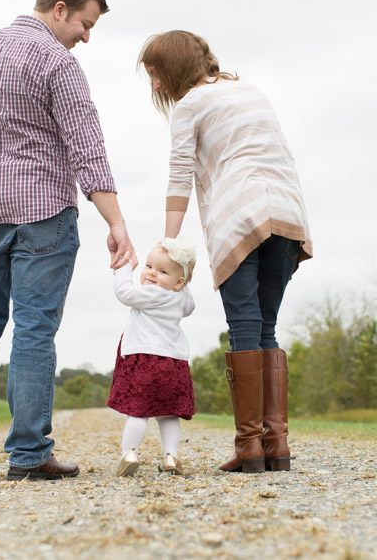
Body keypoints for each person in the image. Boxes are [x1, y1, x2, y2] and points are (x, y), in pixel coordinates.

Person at [0, 0, 136, 482]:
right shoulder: (58, 64)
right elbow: (88, 149)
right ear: (59, 10)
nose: (86, 37)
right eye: (85, 24)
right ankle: (29, 455)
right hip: (44, 212)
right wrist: (117, 222)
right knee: (34, 330)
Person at [138, 30, 313, 474]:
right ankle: (276, 446)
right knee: (266, 328)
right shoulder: (250, 89)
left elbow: (179, 178)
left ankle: (249, 446)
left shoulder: (190, 105)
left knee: (244, 327)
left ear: (174, 70)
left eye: (157, 75)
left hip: (240, 214)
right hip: (288, 212)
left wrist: (169, 245)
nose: (155, 85)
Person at [107, 237, 197, 477]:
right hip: (174, 366)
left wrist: (124, 265)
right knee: (168, 414)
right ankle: (171, 457)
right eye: (149, 266)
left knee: (138, 411)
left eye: (162, 271)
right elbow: (190, 306)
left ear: (176, 281)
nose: (152, 274)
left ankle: (130, 454)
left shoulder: (151, 295)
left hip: (146, 363)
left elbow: (124, 292)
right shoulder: (180, 298)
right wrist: (183, 280)